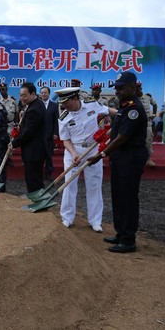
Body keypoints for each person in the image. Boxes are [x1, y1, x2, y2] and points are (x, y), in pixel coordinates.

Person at [88, 72, 148, 253]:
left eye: (122, 88)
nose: (118, 91)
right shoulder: (124, 107)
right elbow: (115, 131)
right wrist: (103, 139)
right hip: (120, 157)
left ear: (132, 87)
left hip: (130, 158)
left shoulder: (134, 109)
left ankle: (129, 239)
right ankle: (121, 233)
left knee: (128, 198)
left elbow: (122, 137)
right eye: (117, 88)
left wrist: (101, 154)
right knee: (118, 195)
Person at [56, 87, 114, 232]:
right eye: (62, 103)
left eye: (66, 102)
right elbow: (65, 140)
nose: (64, 106)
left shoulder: (92, 105)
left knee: (94, 185)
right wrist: (74, 153)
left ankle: (95, 221)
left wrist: (120, 119)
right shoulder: (63, 117)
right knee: (69, 185)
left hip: (92, 150)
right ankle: (67, 218)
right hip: (73, 152)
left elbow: (110, 111)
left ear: (75, 99)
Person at [11, 82, 46, 193]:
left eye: (24, 95)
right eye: (20, 95)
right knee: (34, 177)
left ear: (33, 94)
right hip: (35, 149)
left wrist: (14, 143)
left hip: (34, 150)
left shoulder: (34, 109)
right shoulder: (35, 104)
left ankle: (36, 200)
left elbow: (28, 133)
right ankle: (36, 198)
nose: (22, 98)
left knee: (33, 178)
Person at [40, 86, 59, 180]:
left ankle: (48, 173)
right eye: (42, 93)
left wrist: (56, 133)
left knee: (48, 155)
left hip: (49, 134)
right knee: (39, 155)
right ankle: (39, 174)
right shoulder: (37, 104)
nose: (43, 94)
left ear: (49, 93)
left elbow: (56, 121)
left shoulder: (54, 105)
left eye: (45, 92)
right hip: (38, 135)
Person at [136, 82, 157, 167]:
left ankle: (149, 159)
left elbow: (155, 105)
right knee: (136, 141)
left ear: (141, 88)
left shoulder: (147, 97)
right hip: (136, 123)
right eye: (135, 89)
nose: (136, 90)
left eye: (138, 88)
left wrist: (154, 115)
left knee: (148, 141)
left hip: (147, 123)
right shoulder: (132, 98)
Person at [0, 83, 18, 166]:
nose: (2, 91)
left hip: (10, 124)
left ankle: (8, 158)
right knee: (0, 142)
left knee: (10, 142)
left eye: (3, 89)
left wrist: (16, 124)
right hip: (0, 125)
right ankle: (1, 158)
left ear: (6, 89)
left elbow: (16, 112)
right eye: (0, 90)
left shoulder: (13, 100)